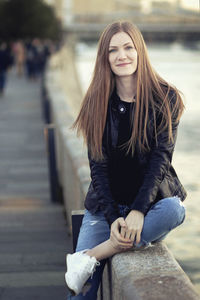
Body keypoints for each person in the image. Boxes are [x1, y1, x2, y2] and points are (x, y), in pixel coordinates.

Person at [65, 21, 187, 299]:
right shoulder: (96, 101)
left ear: (139, 50)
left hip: (148, 207)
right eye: (113, 50)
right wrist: (112, 219)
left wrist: (138, 211)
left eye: (128, 47)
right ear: (105, 58)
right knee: (81, 292)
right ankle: (99, 251)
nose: (122, 56)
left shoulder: (165, 98)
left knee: (175, 210)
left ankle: (91, 255)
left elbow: (161, 161)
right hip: (104, 208)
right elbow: (97, 167)